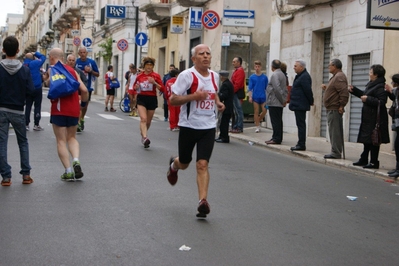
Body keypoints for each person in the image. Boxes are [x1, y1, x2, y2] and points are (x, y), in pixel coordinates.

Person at [166, 44, 225, 218]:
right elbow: (173, 99)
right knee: (184, 163)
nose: (206, 56)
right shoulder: (187, 76)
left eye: (208, 53)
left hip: (208, 126)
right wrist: (194, 97)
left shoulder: (214, 76)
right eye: (201, 54)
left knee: (202, 164)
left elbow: (213, 93)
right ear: (194, 59)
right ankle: (174, 165)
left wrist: (218, 102)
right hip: (189, 126)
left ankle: (202, 202)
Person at [43, 48, 89, 181]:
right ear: (62, 58)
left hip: (59, 109)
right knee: (72, 138)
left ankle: (68, 171)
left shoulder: (52, 70)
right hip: (74, 109)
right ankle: (76, 160)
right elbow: (84, 90)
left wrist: (46, 79)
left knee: (61, 141)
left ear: (51, 58)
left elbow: (47, 84)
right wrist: (83, 105)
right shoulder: (73, 71)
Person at [0, 36, 35, 186]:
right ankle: (26, 174)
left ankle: (6, 177)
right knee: (23, 142)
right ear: (18, 50)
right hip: (18, 111)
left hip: (1, 110)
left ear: (3, 50)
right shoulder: (25, 70)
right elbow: (31, 91)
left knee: (2, 143)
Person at [348, 64, 389, 169]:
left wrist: (368, 99)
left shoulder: (380, 86)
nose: (369, 74)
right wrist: (355, 90)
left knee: (374, 140)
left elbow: (382, 102)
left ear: (376, 75)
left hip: (376, 118)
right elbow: (365, 96)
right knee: (367, 140)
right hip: (368, 117)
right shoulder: (372, 84)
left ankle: (374, 161)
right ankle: (364, 158)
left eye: (370, 72)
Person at [133, 57, 165, 148]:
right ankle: (145, 137)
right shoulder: (139, 76)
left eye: (151, 65)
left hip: (152, 98)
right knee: (143, 119)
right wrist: (136, 87)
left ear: (153, 66)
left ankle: (143, 133)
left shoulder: (156, 76)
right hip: (141, 98)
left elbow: (162, 89)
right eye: (147, 65)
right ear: (144, 66)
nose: (149, 67)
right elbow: (135, 87)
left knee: (148, 121)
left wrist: (154, 83)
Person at [322, 59, 350, 159]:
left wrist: (341, 105)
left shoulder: (339, 77)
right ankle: (335, 150)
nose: (328, 67)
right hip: (331, 108)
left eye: (330, 65)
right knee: (333, 130)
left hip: (335, 108)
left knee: (335, 131)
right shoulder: (335, 77)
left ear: (335, 66)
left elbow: (344, 93)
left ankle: (336, 152)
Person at [289, 60, 314, 151]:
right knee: (299, 124)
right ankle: (300, 143)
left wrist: (311, 101)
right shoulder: (299, 76)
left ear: (301, 67)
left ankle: (301, 144)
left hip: (300, 104)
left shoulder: (304, 77)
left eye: (296, 66)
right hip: (297, 104)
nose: (294, 67)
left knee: (301, 125)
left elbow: (308, 90)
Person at [75, 47, 99, 130]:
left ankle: (82, 118)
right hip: (77, 87)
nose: (82, 54)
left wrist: (90, 71)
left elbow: (97, 74)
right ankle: (78, 122)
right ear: (78, 54)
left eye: (84, 52)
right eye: (81, 52)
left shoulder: (91, 62)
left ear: (86, 53)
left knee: (84, 106)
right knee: (78, 105)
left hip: (88, 87)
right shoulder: (76, 62)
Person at [265, 59, 288, 145]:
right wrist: (284, 99)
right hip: (278, 102)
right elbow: (284, 89)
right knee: (278, 121)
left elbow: (277, 88)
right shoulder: (282, 74)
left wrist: (282, 100)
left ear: (272, 66)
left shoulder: (275, 75)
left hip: (275, 102)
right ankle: (276, 137)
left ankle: (276, 138)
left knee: (275, 121)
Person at [23, 51, 46, 131]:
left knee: (28, 106)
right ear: (33, 58)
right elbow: (43, 57)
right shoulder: (35, 63)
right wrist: (35, 53)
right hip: (37, 87)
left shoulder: (23, 65)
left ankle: (26, 124)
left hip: (28, 88)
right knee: (37, 106)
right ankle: (36, 124)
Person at [248, 60, 268, 133]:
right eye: (256, 67)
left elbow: (267, 88)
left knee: (264, 110)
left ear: (261, 67)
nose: (257, 68)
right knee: (256, 111)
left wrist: (268, 97)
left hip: (263, 96)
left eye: (258, 66)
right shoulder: (252, 77)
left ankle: (258, 120)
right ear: (254, 67)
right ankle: (257, 126)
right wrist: (250, 97)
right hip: (255, 96)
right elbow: (250, 88)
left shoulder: (264, 77)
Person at [385, 74, 399, 178]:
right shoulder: (396, 91)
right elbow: (392, 96)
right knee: (397, 145)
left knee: (398, 146)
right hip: (397, 122)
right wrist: (389, 91)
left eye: (392, 82)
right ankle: (397, 168)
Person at [216, 70, 234, 143]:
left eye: (220, 76)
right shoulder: (229, 83)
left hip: (226, 107)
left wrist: (218, 95)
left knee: (224, 123)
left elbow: (224, 95)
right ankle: (221, 136)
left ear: (222, 77)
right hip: (228, 106)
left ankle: (224, 137)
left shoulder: (225, 84)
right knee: (223, 122)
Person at [230, 56, 245, 133]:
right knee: (236, 111)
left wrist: (232, 91)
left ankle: (239, 127)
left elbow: (237, 84)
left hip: (236, 93)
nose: (233, 63)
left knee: (238, 111)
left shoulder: (240, 71)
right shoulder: (237, 71)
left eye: (234, 62)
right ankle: (236, 126)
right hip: (235, 93)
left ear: (239, 63)